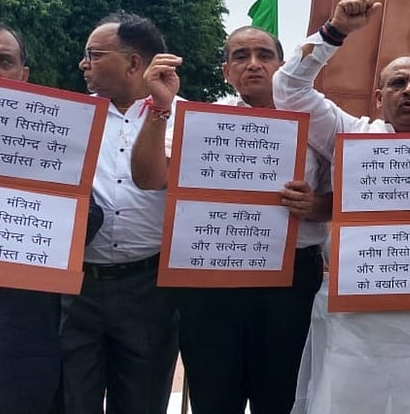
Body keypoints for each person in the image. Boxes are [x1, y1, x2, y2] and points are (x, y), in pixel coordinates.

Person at [271, 0, 410, 414]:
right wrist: (334, 32)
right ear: (378, 97)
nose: (408, 90)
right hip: (355, 322)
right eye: (397, 83)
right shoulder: (349, 137)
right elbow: (288, 89)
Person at [130, 26, 331, 413]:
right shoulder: (204, 124)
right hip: (214, 279)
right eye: (241, 56)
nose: (253, 65)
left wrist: (315, 206)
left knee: (281, 398)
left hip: (290, 284)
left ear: (281, 65)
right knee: (214, 397)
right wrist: (158, 108)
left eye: (264, 55)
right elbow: (150, 177)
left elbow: (341, 200)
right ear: (226, 71)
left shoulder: (317, 123)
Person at [59, 12, 180, 414]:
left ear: (133, 63)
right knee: (72, 399)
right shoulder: (65, 118)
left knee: (142, 402)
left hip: (148, 289)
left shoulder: (190, 120)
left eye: (93, 54)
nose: (83, 63)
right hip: (77, 287)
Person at [0, 21, 61, 414]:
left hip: (17, 334)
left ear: (23, 75)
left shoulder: (54, 137)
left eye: (3, 60)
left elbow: (90, 215)